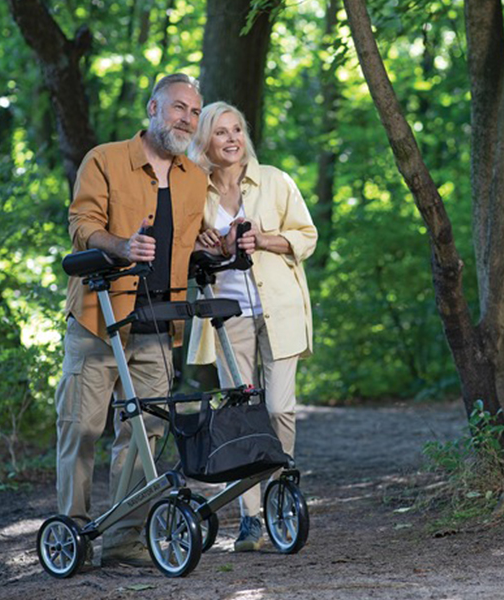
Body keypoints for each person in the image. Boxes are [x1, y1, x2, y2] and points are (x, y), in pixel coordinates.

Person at [55, 73, 206, 567]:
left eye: (194, 112)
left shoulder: (195, 178)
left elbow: (193, 241)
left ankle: (122, 539)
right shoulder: (104, 160)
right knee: (81, 428)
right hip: (99, 319)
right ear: (153, 108)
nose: (187, 118)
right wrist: (121, 245)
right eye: (179, 107)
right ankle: (72, 536)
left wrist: (221, 243)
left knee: (145, 436)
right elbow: (81, 225)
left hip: (159, 325)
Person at [187, 101, 317, 552]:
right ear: (205, 140)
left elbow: (307, 236)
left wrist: (264, 239)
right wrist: (204, 245)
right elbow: (182, 248)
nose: (232, 139)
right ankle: (250, 518)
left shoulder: (276, 181)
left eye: (237, 130)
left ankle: (281, 499)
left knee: (279, 409)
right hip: (227, 318)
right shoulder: (193, 191)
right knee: (240, 414)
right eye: (221, 132)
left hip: (280, 310)